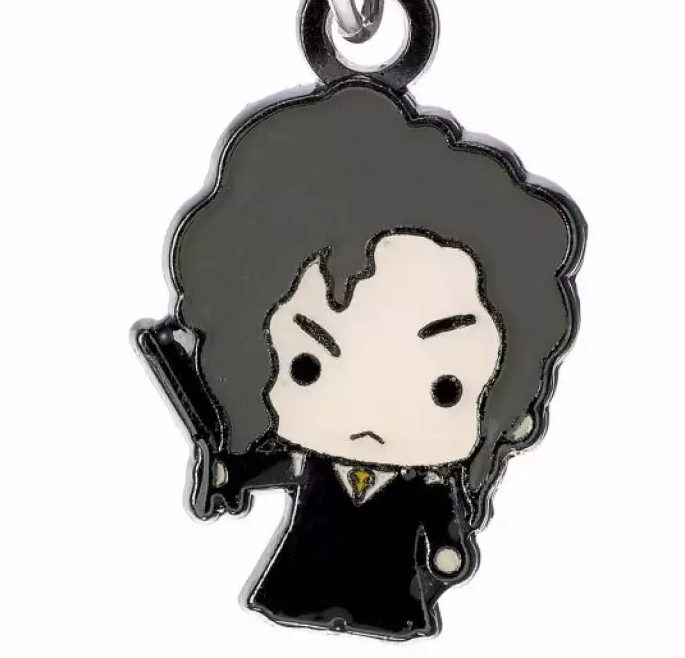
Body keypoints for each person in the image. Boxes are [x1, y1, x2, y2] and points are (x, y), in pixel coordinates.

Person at [135, 78, 584, 639]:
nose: (371, 417)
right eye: (308, 367)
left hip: (389, 596)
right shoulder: (307, 463)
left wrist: (447, 551)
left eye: (444, 386)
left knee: (385, 600)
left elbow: (446, 528)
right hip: (299, 585)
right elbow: (251, 470)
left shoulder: (426, 484)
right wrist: (226, 473)